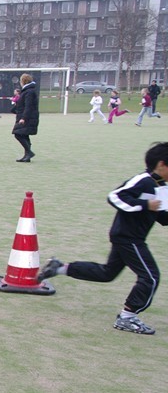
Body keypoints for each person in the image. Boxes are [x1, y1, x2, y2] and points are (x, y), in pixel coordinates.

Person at [37, 142, 168, 335]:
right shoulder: (143, 180)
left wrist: (155, 209)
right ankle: (127, 317)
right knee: (150, 277)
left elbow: (162, 216)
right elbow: (115, 196)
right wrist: (144, 205)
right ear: (161, 164)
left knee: (108, 273)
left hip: (132, 237)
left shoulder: (162, 186)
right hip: (128, 237)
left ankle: (59, 268)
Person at [11, 73, 39, 162]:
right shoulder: (27, 91)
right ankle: (27, 156)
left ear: (23, 81)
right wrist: (14, 110)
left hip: (28, 118)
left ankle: (29, 153)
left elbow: (28, 106)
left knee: (18, 134)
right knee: (24, 135)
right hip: (26, 116)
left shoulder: (29, 91)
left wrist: (23, 118)